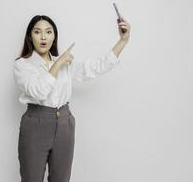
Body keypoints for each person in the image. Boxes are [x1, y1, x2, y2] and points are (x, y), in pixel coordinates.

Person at [13, 15, 131, 182]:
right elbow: (38, 91)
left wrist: (122, 41)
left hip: (64, 125)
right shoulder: (22, 65)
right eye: (37, 32)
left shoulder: (64, 63)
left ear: (54, 37)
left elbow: (95, 67)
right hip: (35, 125)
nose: (43, 37)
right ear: (30, 37)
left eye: (48, 32)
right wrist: (58, 64)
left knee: (61, 179)